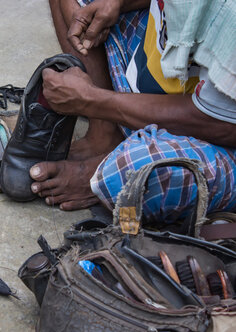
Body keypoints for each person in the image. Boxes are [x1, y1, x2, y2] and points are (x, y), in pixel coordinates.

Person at [30, 0, 236, 224]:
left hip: (217, 132)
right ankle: (105, 134)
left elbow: (222, 125)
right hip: (162, 88)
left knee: (141, 170)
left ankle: (98, 175)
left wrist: (92, 100)